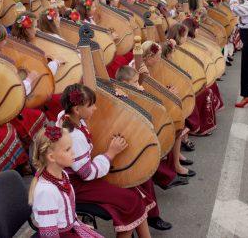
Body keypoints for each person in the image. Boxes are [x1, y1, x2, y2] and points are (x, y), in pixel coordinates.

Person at [57, 84, 155, 238]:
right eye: (91, 105)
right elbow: (86, 173)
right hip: (76, 185)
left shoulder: (66, 115)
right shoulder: (73, 135)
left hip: (78, 180)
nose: (95, 108)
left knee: (133, 190)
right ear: (77, 109)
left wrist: (119, 98)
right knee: (129, 201)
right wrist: (111, 153)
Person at [29, 125, 103, 237]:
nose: (73, 153)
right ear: (52, 157)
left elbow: (66, 211)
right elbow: (49, 235)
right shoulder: (46, 191)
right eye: (68, 149)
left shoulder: (63, 175)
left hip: (71, 228)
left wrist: (78, 225)